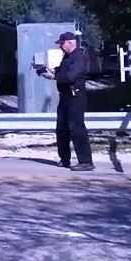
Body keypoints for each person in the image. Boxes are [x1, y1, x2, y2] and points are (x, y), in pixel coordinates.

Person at [38, 31, 94, 171]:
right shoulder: (67, 57)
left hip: (76, 97)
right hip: (65, 96)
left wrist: (54, 77)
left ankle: (86, 161)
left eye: (62, 44)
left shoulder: (79, 57)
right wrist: (49, 71)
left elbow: (70, 77)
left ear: (70, 42)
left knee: (77, 128)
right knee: (61, 129)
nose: (60, 47)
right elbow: (62, 72)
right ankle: (64, 159)